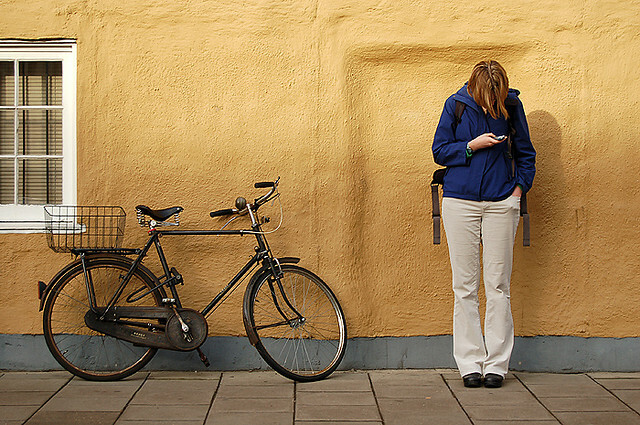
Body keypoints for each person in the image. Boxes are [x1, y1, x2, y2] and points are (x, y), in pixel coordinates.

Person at [432, 60, 536, 388]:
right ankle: (469, 363)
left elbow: (526, 154)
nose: (493, 102)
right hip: (460, 201)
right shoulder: (456, 105)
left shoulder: (511, 105)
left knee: (498, 286)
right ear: (475, 88)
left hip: (501, 202)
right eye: (487, 96)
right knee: (464, 286)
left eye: (498, 95)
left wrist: (517, 191)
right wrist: (470, 146)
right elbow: (439, 151)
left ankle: (496, 365)